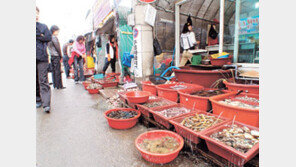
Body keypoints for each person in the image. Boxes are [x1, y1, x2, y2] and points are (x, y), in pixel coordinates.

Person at [36, 7, 52, 113]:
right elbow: (43, 37)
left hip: (42, 56)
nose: (35, 15)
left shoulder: (43, 26)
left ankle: (46, 104)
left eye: (37, 13)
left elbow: (48, 37)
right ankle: (38, 99)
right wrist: (39, 35)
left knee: (43, 80)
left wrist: (38, 36)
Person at [48, 25, 64, 89]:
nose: (58, 33)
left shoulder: (49, 37)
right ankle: (59, 86)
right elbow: (58, 47)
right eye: (57, 31)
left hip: (52, 56)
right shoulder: (54, 37)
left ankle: (55, 85)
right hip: (56, 56)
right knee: (58, 71)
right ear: (54, 31)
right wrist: (60, 55)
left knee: (54, 71)